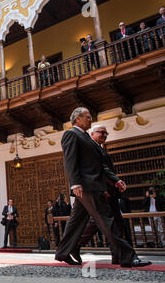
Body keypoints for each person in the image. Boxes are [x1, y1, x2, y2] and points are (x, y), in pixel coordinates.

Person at [55, 108, 151, 268]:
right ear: (77, 118)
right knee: (107, 221)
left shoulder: (86, 137)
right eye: (87, 116)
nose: (90, 119)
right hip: (87, 186)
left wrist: (115, 180)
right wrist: (75, 183)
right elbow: (69, 160)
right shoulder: (71, 134)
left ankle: (63, 252)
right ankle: (128, 257)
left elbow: (100, 165)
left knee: (76, 221)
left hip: (92, 185)